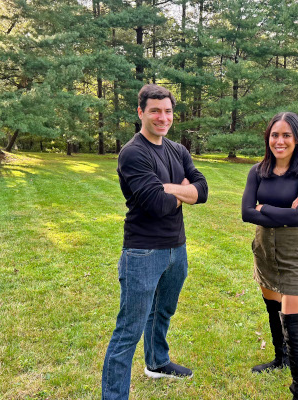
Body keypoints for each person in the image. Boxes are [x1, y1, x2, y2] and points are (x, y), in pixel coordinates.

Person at [102, 84, 208, 400]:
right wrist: (183, 190)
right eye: (155, 111)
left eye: (168, 111)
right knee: (129, 330)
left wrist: (168, 187)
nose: (163, 118)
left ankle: (157, 363)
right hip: (143, 252)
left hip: (177, 247)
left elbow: (203, 190)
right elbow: (156, 204)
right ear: (141, 112)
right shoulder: (133, 153)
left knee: (163, 311)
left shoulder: (178, 150)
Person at [241, 112, 298, 400]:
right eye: (275, 135)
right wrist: (284, 212)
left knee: (294, 325)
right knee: (273, 309)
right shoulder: (257, 171)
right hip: (264, 249)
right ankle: (280, 358)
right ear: (268, 138)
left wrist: (263, 209)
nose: (280, 141)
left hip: (293, 252)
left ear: (297, 139)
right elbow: (245, 213)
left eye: (286, 135)